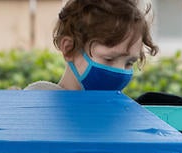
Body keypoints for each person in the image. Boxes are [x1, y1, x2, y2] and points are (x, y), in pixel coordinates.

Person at [25, 0, 158, 92]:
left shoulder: (120, 113)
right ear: (69, 49)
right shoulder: (37, 101)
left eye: (130, 63)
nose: (120, 71)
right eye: (109, 59)